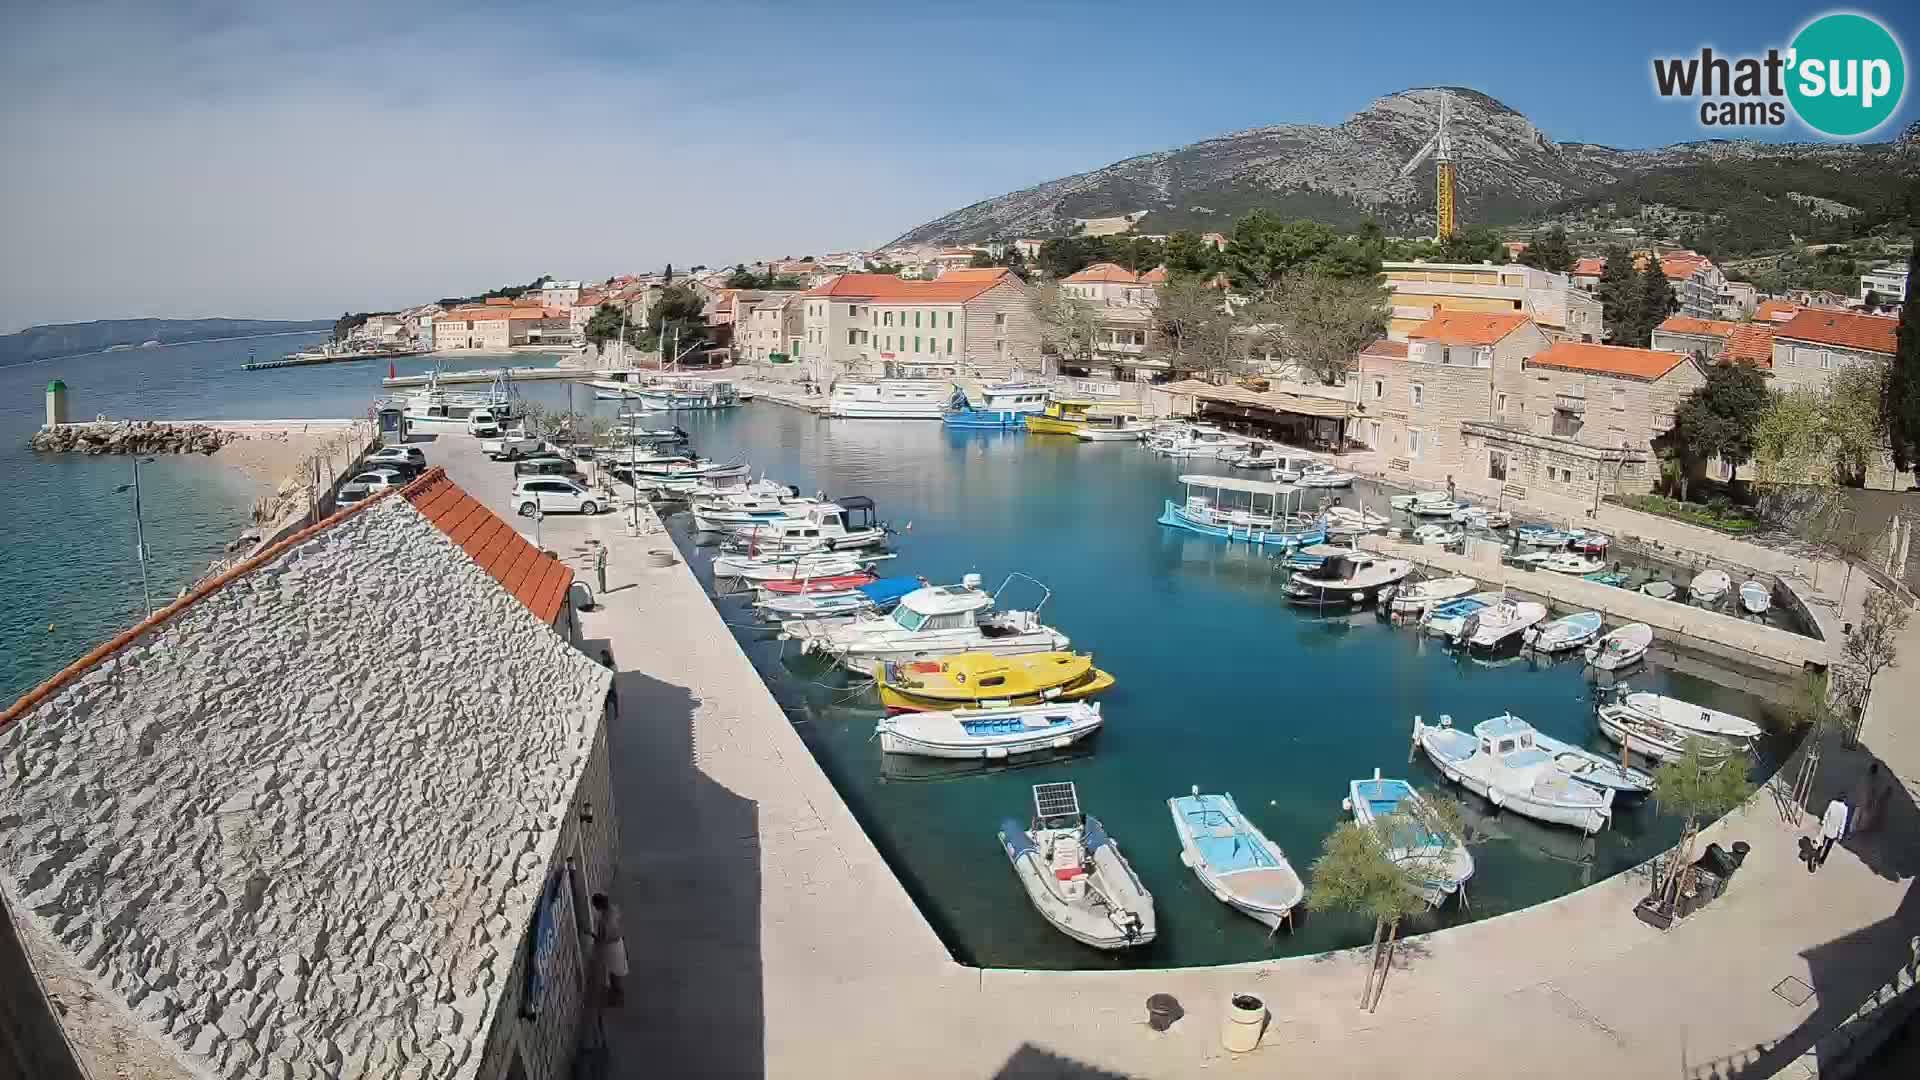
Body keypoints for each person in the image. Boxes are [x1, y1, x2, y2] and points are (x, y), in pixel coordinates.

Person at [591, 893, 627, 1006]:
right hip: (619, 944)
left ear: (598, 906)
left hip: (611, 949)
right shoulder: (614, 910)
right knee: (616, 972)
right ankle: (617, 995)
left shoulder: (604, 921)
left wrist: (590, 934)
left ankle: (617, 998)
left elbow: (601, 939)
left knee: (614, 974)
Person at [1812, 796, 1850, 871]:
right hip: (1834, 831)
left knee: (1821, 844)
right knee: (1828, 848)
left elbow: (1827, 813)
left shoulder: (1833, 803)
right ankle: (1821, 862)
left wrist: (1824, 821)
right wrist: (1840, 834)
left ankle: (1816, 858)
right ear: (1844, 800)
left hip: (1827, 828)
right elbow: (1843, 822)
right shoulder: (1845, 808)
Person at [599, 649, 619, 718]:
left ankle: (616, 713)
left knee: (613, 698)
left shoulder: (612, 664)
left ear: (607, 656)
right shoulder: (603, 663)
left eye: (604, 656)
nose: (603, 658)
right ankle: (606, 714)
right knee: (605, 700)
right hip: (605, 684)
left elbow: (614, 672)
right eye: (602, 656)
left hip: (611, 684)